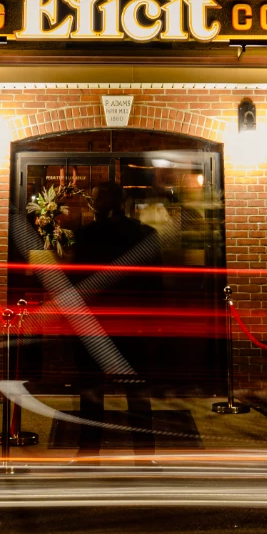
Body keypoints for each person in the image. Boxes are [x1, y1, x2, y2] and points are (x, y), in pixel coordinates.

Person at [69, 180, 159, 456]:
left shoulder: (86, 234)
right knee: (136, 392)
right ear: (123, 203)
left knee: (92, 391)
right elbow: (154, 283)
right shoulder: (145, 233)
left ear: (99, 204)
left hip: (94, 322)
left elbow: (78, 281)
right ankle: (144, 452)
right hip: (133, 322)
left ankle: (89, 450)